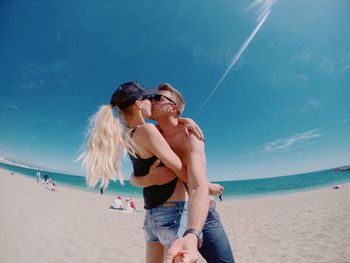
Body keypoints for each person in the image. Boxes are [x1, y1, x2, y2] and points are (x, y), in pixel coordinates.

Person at [78, 81, 209, 263]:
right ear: (139, 104)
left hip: (151, 218)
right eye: (149, 98)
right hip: (173, 212)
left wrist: (148, 179)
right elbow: (183, 172)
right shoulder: (147, 130)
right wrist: (204, 186)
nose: (152, 103)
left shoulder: (127, 135)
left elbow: (135, 177)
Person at [132, 83, 235, 263]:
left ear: (174, 107)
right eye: (150, 98)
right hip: (177, 212)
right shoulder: (152, 135)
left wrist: (193, 232)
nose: (151, 101)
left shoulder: (190, 135)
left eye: (157, 98)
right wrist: (149, 179)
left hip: (203, 211)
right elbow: (133, 178)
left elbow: (196, 185)